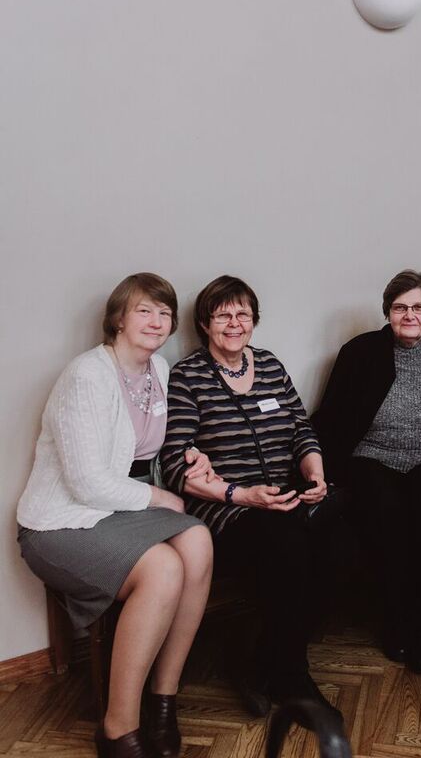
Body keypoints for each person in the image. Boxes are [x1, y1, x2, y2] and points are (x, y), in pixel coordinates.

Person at [17, 273, 215, 758]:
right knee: (164, 568)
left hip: (121, 509)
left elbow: (149, 449)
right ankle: (117, 728)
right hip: (62, 520)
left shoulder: (159, 369)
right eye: (144, 310)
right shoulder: (87, 375)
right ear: (119, 319)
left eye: (165, 313)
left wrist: (192, 455)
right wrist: (160, 498)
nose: (157, 321)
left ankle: (163, 700)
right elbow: (86, 483)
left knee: (198, 540)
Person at [159, 275, 341, 723]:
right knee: (290, 545)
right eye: (223, 315)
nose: (235, 323)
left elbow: (300, 429)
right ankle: (291, 677)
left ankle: (261, 658)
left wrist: (315, 472)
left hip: (283, 495)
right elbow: (176, 466)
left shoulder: (270, 365)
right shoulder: (189, 377)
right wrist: (244, 495)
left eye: (243, 314)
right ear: (205, 324)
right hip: (227, 509)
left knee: (345, 538)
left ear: (254, 320)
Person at [312, 270, 421, 673]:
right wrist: (319, 470)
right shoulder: (359, 352)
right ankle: (396, 617)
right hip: (373, 457)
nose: (410, 315)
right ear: (387, 312)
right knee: (387, 512)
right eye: (400, 307)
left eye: (419, 307)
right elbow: (330, 415)